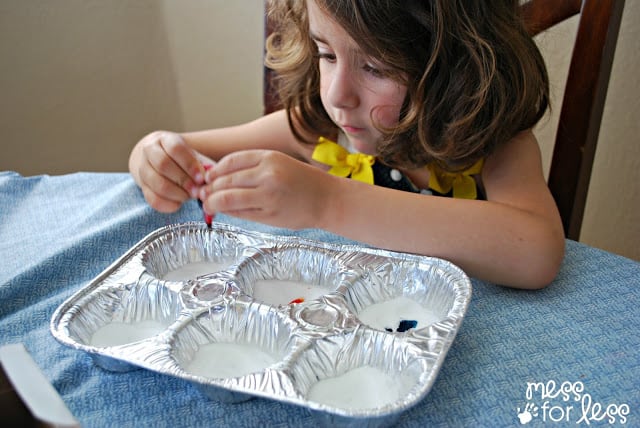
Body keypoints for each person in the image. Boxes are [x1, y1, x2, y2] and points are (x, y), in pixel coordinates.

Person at [128, 0, 565, 289]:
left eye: (375, 66)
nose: (338, 94)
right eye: (327, 54)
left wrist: (327, 201)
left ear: (458, 68)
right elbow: (185, 149)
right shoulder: (322, 129)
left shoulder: (498, 147)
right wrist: (155, 153)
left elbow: (537, 254)